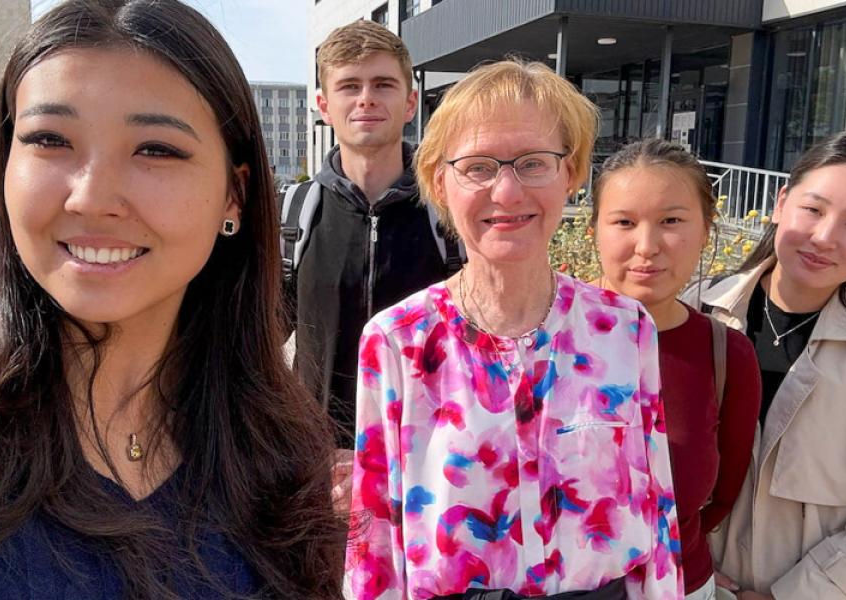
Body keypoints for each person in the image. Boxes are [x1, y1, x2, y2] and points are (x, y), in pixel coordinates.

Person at [0, 1, 344, 599]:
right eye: (50, 139)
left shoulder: (281, 452)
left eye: (155, 149)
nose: (90, 197)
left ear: (234, 197)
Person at [347, 59, 682, 600]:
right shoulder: (398, 341)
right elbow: (375, 544)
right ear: (439, 181)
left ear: (570, 174)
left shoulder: (623, 328)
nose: (506, 192)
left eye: (533, 163)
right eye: (477, 167)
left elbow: (656, 504)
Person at [687, 131, 846, 600]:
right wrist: (690, 569)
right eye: (813, 209)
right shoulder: (697, 315)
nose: (825, 237)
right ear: (781, 202)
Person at [591, 139, 761, 600]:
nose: (647, 247)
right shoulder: (543, 338)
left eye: (671, 221)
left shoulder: (727, 355)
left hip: (683, 587)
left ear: (706, 229)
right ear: (594, 230)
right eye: (624, 222)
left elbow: (722, 496)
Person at [285, 19, 463, 453]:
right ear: (324, 106)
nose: (366, 99)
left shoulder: (451, 210)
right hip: (318, 462)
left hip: (431, 459)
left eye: (383, 84)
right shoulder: (292, 213)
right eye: (350, 86)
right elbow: (257, 339)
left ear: (410, 102)